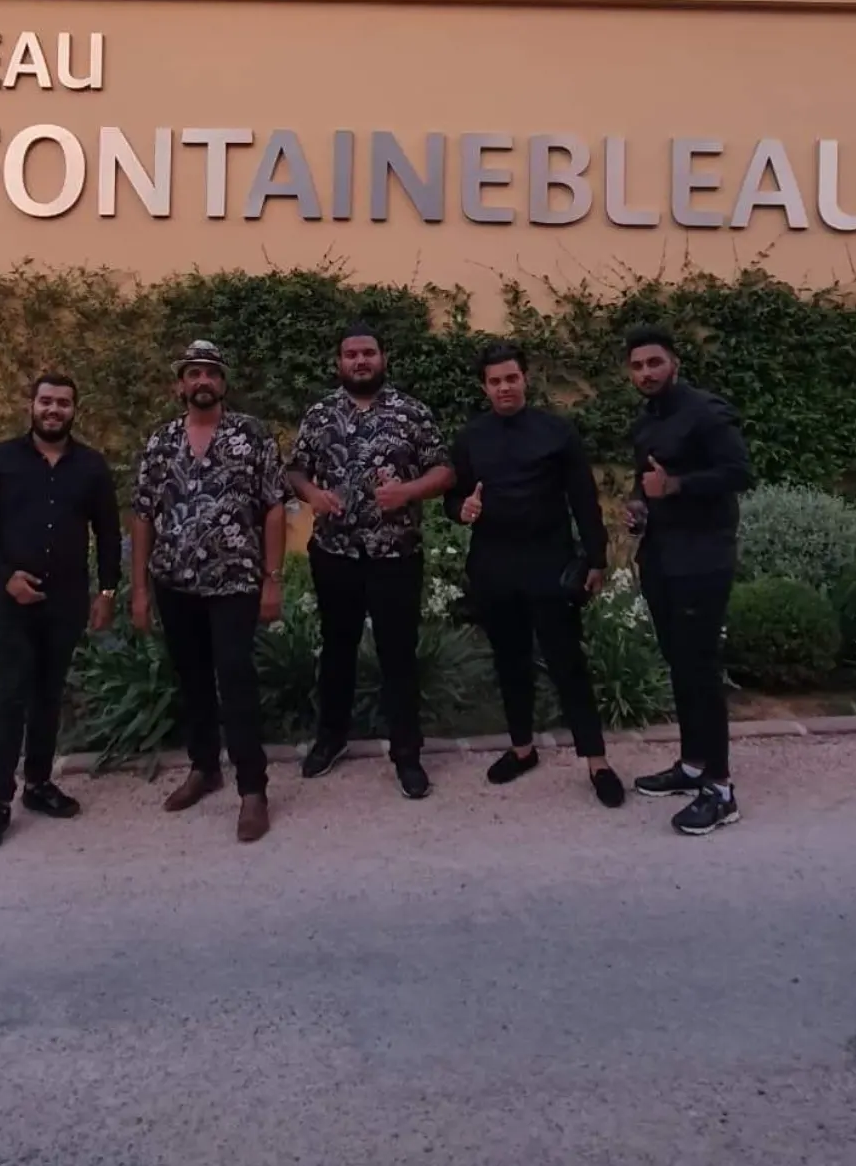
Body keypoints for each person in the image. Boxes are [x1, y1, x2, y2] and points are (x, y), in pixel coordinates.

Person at [448, 342, 625, 805]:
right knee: (510, 661)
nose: (504, 387)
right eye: (495, 381)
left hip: (550, 564)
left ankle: (597, 761)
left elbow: (584, 499)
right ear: (484, 387)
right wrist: (461, 509)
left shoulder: (556, 432)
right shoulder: (471, 438)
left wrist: (596, 559)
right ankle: (522, 749)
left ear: (525, 378)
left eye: (511, 378)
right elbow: (454, 498)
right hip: (493, 565)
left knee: (567, 663)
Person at [287, 320, 456, 799]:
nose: (360, 361)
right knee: (336, 649)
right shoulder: (319, 415)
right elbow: (295, 471)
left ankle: (407, 753)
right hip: (335, 552)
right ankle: (331, 738)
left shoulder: (412, 412)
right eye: (351, 354)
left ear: (383, 358)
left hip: (395, 553)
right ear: (339, 362)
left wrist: (409, 491)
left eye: (368, 353)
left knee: (398, 654)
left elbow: (445, 470)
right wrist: (312, 494)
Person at [130, 339, 287, 842]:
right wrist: (138, 589)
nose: (203, 381)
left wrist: (272, 579)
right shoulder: (160, 442)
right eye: (194, 373)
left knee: (235, 678)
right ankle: (204, 768)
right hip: (174, 583)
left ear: (223, 383)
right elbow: (143, 515)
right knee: (192, 678)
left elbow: (274, 508)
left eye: (212, 373)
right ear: (180, 384)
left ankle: (253, 789)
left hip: (234, 581)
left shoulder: (252, 435)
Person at [0, 371, 120, 853]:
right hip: (11, 602)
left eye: (63, 403)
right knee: (11, 698)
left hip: (65, 602)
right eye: (46, 401)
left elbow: (108, 532)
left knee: (49, 696)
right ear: (31, 405)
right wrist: (5, 575)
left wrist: (107, 591)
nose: (54, 410)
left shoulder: (91, 466)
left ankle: (38, 783)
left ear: (74, 410)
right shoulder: (0, 460)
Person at [624, 325, 752, 836]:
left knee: (700, 668)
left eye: (654, 362)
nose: (646, 373)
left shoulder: (706, 412)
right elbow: (646, 482)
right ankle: (693, 765)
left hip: (703, 558)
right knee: (679, 663)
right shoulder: (646, 422)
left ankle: (720, 790)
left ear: (673, 363)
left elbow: (739, 472)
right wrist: (639, 505)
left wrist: (675, 485)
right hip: (660, 557)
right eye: (637, 366)